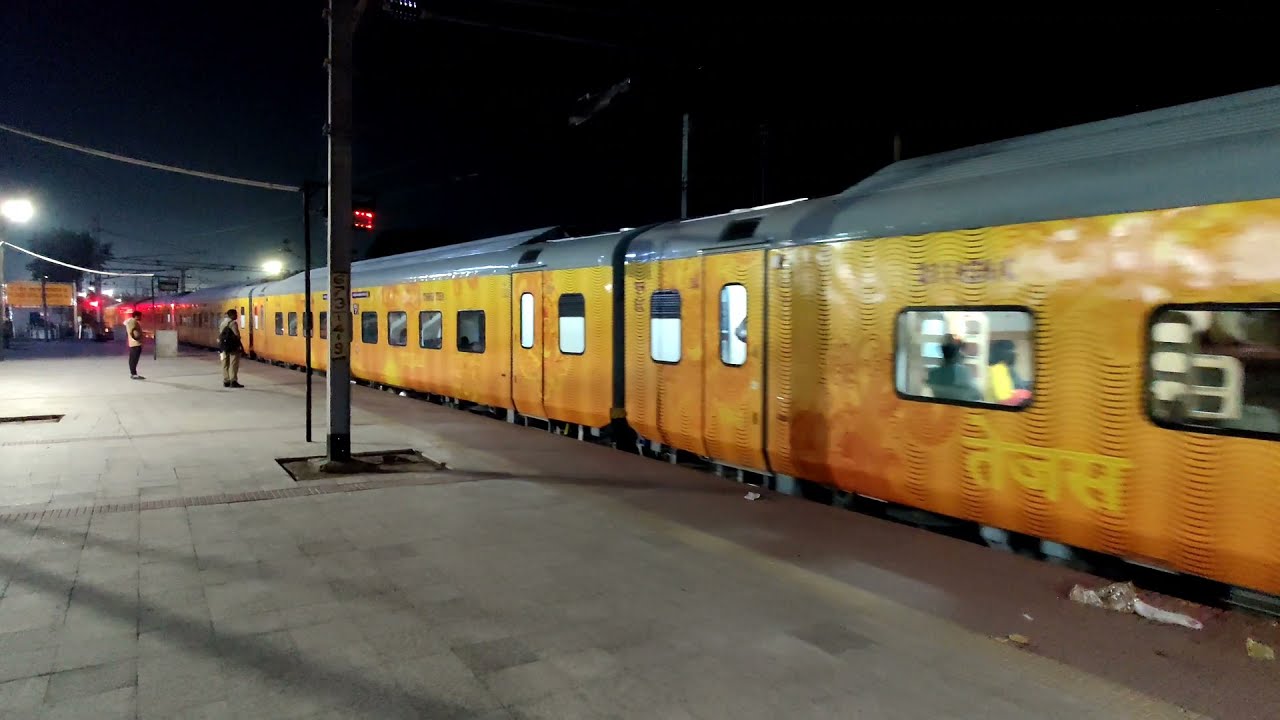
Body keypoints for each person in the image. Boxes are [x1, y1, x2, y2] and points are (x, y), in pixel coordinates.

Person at [218, 309, 245, 388]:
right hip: (233, 347)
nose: (237, 316)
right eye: (236, 314)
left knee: (224, 364)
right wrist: (241, 346)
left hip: (223, 347)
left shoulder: (222, 323)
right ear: (232, 315)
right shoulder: (233, 323)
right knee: (233, 363)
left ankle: (226, 380)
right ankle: (233, 381)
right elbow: (237, 336)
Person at [124, 311, 145, 379]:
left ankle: (133, 373)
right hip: (135, 343)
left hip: (134, 343)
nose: (140, 317)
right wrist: (137, 337)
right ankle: (134, 374)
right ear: (136, 316)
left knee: (133, 359)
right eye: (140, 316)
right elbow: (133, 331)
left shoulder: (131, 321)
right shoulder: (133, 322)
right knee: (134, 359)